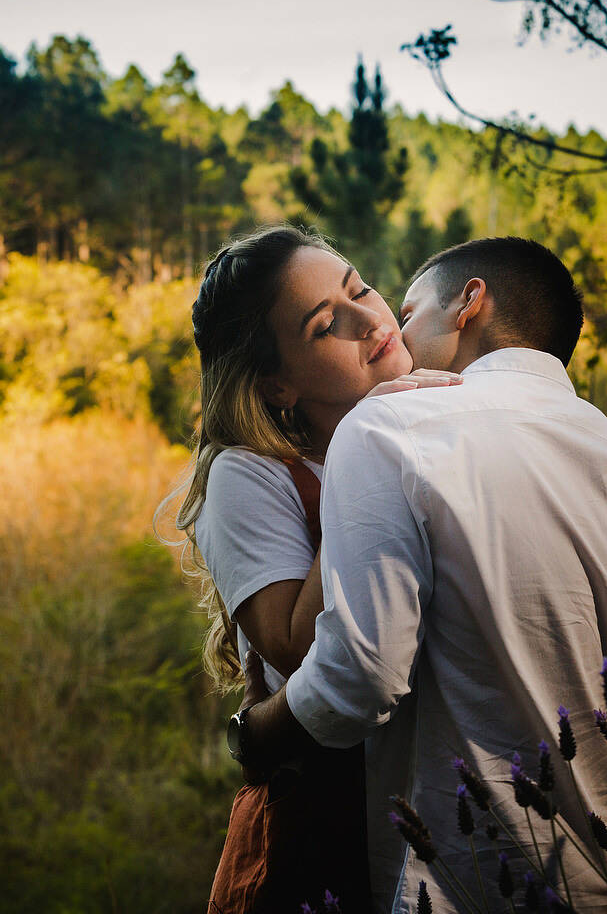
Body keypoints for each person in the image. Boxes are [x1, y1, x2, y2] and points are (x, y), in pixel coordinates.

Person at [231, 237, 607, 912]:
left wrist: (253, 734)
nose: (389, 330)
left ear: (468, 304)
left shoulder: (389, 427)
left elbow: (360, 675)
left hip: (473, 879)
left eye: (403, 309)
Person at [170, 225, 461, 913]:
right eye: (326, 325)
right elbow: (300, 651)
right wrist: (366, 448)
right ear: (278, 384)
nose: (370, 319)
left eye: (361, 288)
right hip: (326, 835)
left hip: (444, 815)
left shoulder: (431, 414)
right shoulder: (249, 476)